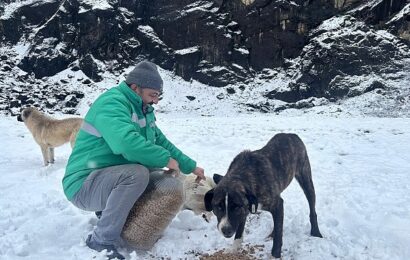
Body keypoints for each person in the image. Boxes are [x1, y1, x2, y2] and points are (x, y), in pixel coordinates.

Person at [62, 60, 205, 259]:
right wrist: (165, 159)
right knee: (136, 174)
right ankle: (101, 240)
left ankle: (112, 216)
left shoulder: (142, 109)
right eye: (152, 95)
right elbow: (125, 143)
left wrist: (191, 166)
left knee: (157, 176)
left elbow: (162, 142)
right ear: (135, 88)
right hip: (82, 185)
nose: (156, 101)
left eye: (158, 96)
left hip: (105, 178)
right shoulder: (112, 103)